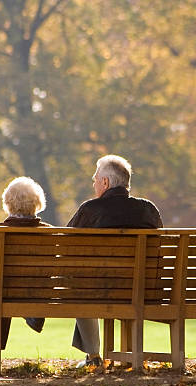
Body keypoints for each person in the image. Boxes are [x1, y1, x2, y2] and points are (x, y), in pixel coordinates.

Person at [67, 154, 163, 368]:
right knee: (86, 281)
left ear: (105, 182)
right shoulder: (148, 209)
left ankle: (93, 357)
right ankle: (114, 355)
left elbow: (64, 245)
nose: (93, 183)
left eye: (95, 179)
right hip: (145, 289)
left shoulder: (90, 210)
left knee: (79, 282)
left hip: (97, 291)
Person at [0, 176, 49, 350]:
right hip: (36, 294)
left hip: (1, 292)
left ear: (7, 203)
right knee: (4, 286)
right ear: (37, 202)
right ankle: (32, 313)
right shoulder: (48, 233)